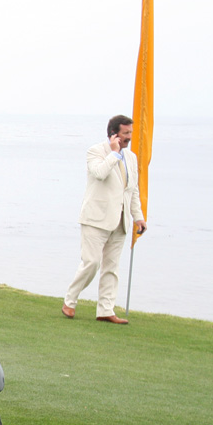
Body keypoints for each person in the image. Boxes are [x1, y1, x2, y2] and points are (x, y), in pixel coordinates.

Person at [62, 115, 147, 324]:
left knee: (112, 267)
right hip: (96, 218)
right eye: (126, 133)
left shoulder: (132, 158)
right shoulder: (95, 152)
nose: (129, 137)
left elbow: (132, 190)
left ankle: (106, 310)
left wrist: (138, 217)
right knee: (91, 262)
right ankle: (69, 301)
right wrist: (114, 153)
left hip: (121, 221)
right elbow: (99, 173)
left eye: (130, 133)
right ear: (113, 134)